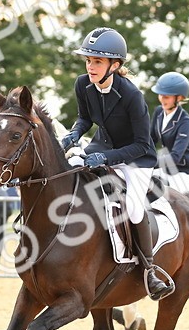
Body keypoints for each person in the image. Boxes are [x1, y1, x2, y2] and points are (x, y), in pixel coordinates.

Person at [59, 26, 172, 301]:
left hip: (137, 159)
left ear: (115, 65)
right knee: (71, 177)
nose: (90, 66)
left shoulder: (132, 95)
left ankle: (149, 270)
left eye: (97, 61)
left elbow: (143, 144)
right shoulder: (83, 84)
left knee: (132, 208)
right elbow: (85, 118)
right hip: (102, 146)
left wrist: (106, 158)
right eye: (88, 60)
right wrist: (75, 133)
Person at [149, 72, 189, 193]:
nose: (162, 100)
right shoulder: (159, 111)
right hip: (166, 168)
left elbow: (176, 157)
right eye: (160, 95)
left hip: (185, 171)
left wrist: (150, 161)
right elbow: (151, 140)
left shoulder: (185, 121)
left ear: (179, 98)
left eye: (166, 97)